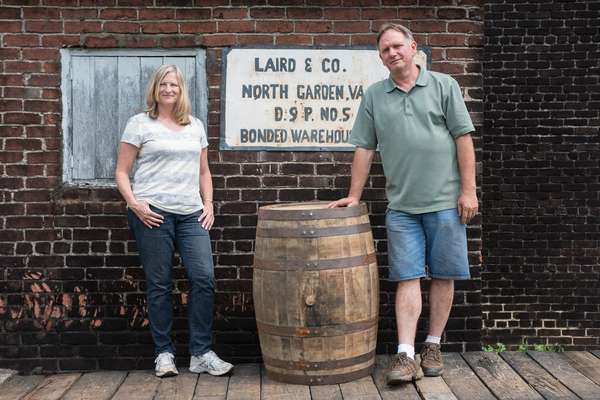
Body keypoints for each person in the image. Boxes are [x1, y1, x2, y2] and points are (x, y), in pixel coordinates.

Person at [329, 23, 478, 385]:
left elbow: (463, 139)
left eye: (397, 46)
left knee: (444, 275)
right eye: (385, 50)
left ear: (413, 47)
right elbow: (364, 147)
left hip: (446, 202)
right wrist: (355, 194)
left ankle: (432, 344)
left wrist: (469, 190)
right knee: (406, 276)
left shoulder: (444, 86)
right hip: (401, 207)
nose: (392, 53)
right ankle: (406, 354)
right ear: (381, 58)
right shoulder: (375, 96)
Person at [115, 64, 233, 378]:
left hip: (191, 214)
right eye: (164, 84)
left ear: (182, 91)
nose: (169, 89)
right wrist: (135, 205)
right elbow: (122, 172)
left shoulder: (194, 125)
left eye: (175, 85)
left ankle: (200, 353)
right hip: (153, 214)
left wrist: (208, 204)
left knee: (203, 278)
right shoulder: (139, 124)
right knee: (159, 284)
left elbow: (204, 172)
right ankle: (164, 353)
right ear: (156, 89)